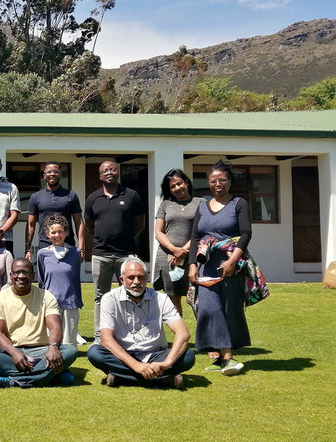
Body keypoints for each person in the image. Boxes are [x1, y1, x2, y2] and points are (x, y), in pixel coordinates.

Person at [87, 256, 196, 389]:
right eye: (131, 277)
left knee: (188, 356)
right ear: (122, 280)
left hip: (155, 356)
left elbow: (183, 334)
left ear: (147, 278)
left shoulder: (161, 299)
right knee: (94, 353)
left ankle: (121, 377)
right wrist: (136, 365)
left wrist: (166, 363)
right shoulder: (109, 299)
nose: (137, 282)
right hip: (122, 356)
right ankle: (162, 380)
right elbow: (106, 339)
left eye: (141, 277)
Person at [188, 160, 252, 376]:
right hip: (206, 265)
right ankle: (226, 357)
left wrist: (232, 260)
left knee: (228, 309)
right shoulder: (202, 206)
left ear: (229, 181)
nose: (217, 184)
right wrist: (192, 265)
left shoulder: (239, 204)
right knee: (208, 308)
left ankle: (222, 357)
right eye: (213, 181)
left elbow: (246, 233)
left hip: (231, 264)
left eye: (222, 180)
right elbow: (196, 236)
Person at [0, 258, 78, 389]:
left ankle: (11, 382)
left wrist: (53, 346)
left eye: (25, 272)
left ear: (33, 276)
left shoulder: (46, 296)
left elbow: (55, 327)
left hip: (41, 350)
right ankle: (51, 374)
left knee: (70, 351)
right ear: (11, 275)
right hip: (11, 350)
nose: (21, 276)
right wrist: (14, 353)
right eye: (16, 272)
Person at [84, 160, 145, 343]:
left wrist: (124, 237)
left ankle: (127, 333)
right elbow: (89, 226)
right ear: (100, 176)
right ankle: (99, 336)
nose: (109, 172)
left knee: (128, 294)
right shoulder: (93, 198)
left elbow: (140, 224)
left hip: (125, 254)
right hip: (101, 254)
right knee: (100, 296)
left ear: (117, 173)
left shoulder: (132, 195)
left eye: (112, 169)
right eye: (105, 170)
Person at [153, 169, 203, 317]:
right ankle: (181, 338)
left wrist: (183, 251)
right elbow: (159, 232)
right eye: (172, 187)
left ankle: (205, 338)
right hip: (169, 258)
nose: (177, 188)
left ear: (186, 182)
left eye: (179, 183)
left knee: (198, 300)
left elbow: (201, 231)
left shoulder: (200, 203)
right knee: (173, 300)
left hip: (192, 257)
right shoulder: (165, 205)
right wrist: (173, 249)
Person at [35, 215, 84, 346]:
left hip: (70, 303)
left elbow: (75, 279)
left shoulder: (75, 252)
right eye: (53, 232)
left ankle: (66, 364)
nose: (57, 235)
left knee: (69, 342)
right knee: (51, 341)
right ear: (47, 234)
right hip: (50, 304)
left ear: (66, 232)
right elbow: (42, 280)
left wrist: (77, 300)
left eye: (60, 231)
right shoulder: (42, 254)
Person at [25, 161, 84, 259]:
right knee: (46, 274)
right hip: (45, 246)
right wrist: (27, 249)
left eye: (56, 171)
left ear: (60, 174)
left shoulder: (71, 195)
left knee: (68, 274)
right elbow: (30, 225)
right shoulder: (35, 197)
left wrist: (81, 249)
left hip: (67, 246)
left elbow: (79, 222)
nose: (52, 174)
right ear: (44, 175)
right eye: (49, 172)